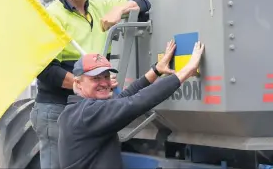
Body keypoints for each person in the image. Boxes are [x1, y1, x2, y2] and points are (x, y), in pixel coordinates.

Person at [30, 0, 152, 169]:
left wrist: (119, 10)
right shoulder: (51, 16)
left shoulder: (100, 6)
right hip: (57, 108)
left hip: (89, 107)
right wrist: (84, 84)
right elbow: (45, 70)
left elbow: (143, 1)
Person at [57, 40, 205, 169]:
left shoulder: (77, 111)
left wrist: (156, 70)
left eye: (106, 76)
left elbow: (125, 98)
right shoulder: (88, 113)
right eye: (95, 78)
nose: (104, 83)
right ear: (78, 83)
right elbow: (135, 103)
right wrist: (186, 71)